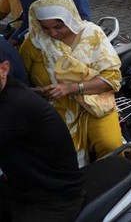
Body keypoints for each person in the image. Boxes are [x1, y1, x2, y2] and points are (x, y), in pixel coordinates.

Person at [20, 0, 124, 167]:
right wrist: (36, 92)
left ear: (70, 18)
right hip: (54, 109)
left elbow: (112, 79)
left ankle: (116, 181)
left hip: (96, 103)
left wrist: (71, 88)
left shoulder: (92, 35)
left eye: (58, 26)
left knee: (110, 144)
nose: (52, 33)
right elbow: (21, 79)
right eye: (45, 27)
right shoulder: (35, 42)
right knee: (58, 154)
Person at [0, 46, 86, 222]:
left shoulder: (15, 104)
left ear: (4, 69)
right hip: (21, 188)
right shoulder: (9, 90)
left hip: (52, 201)